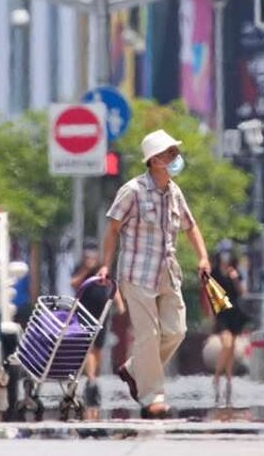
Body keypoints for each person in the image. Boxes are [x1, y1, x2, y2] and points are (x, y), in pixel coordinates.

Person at [97, 129, 211, 419]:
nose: (176, 157)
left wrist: (203, 258)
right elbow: (112, 229)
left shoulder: (174, 192)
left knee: (177, 330)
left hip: (166, 271)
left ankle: (135, 369)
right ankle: (152, 396)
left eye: (175, 152)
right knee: (148, 334)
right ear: (154, 160)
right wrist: (105, 265)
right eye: (170, 153)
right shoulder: (132, 191)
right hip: (136, 273)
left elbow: (190, 226)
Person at [70, 240, 125, 419]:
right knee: (89, 347)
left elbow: (113, 286)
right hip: (85, 314)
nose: (90, 259)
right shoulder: (81, 270)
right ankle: (91, 378)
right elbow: (74, 284)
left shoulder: (103, 271)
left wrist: (119, 304)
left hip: (102, 315)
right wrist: (86, 270)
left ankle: (93, 377)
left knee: (98, 349)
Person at [210, 240, 249, 406]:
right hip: (222, 312)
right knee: (226, 344)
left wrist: (235, 279)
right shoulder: (214, 273)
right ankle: (217, 377)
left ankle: (229, 379)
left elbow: (242, 292)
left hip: (235, 313)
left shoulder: (235, 271)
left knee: (232, 347)